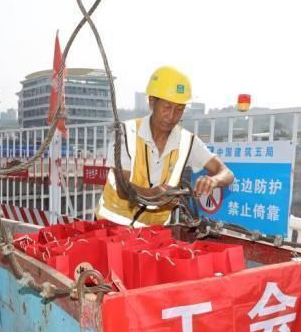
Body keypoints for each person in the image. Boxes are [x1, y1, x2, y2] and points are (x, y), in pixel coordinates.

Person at [96, 66, 234, 226]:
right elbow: (123, 188)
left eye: (179, 109)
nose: (171, 116)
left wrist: (214, 180)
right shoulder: (125, 133)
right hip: (111, 227)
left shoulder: (187, 141)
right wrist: (153, 194)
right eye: (167, 108)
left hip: (154, 234)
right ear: (152, 102)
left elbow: (227, 173)